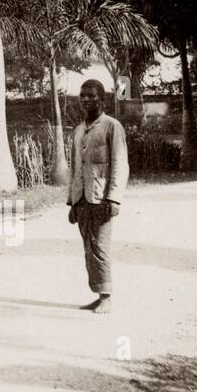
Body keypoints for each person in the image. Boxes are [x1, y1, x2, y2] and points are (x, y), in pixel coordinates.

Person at [67, 79, 128, 314]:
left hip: (102, 199)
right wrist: (72, 202)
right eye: (83, 95)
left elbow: (120, 165)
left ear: (102, 99)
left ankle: (106, 297)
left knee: (100, 248)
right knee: (88, 248)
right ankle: (98, 292)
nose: (86, 100)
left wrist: (113, 199)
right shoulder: (78, 130)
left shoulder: (112, 127)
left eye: (92, 96)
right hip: (82, 200)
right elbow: (75, 169)